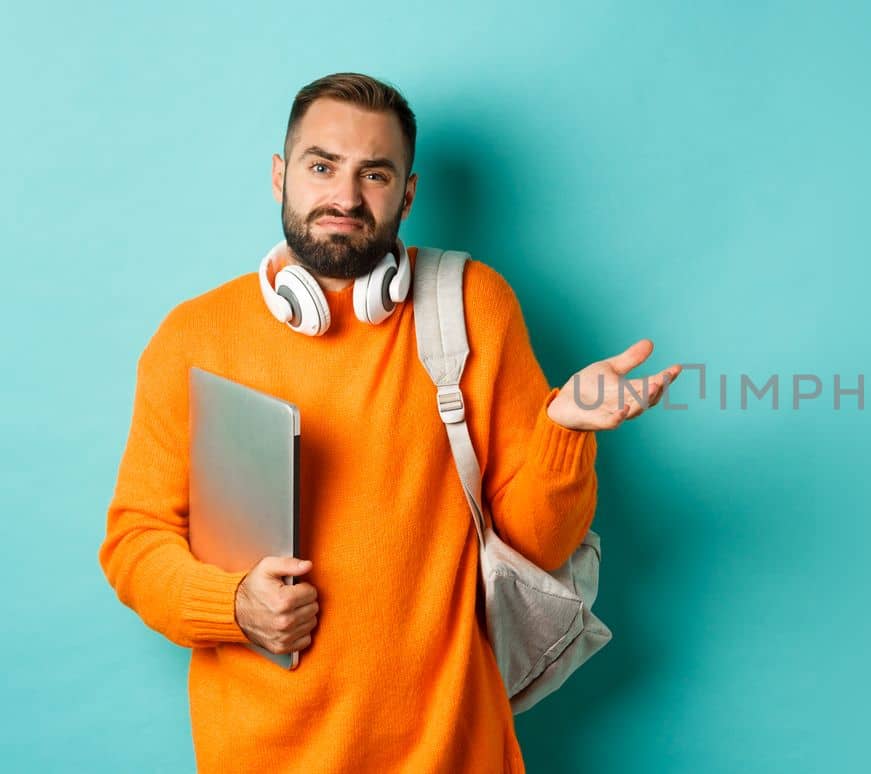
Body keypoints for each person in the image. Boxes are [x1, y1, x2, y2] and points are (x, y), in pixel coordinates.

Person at [97, 72, 679, 773]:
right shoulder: (194, 338)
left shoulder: (473, 305)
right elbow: (136, 542)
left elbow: (535, 545)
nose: (344, 197)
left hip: (456, 752)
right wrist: (232, 605)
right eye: (321, 167)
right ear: (280, 175)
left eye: (374, 174)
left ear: (407, 194)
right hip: (262, 755)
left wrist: (564, 432)